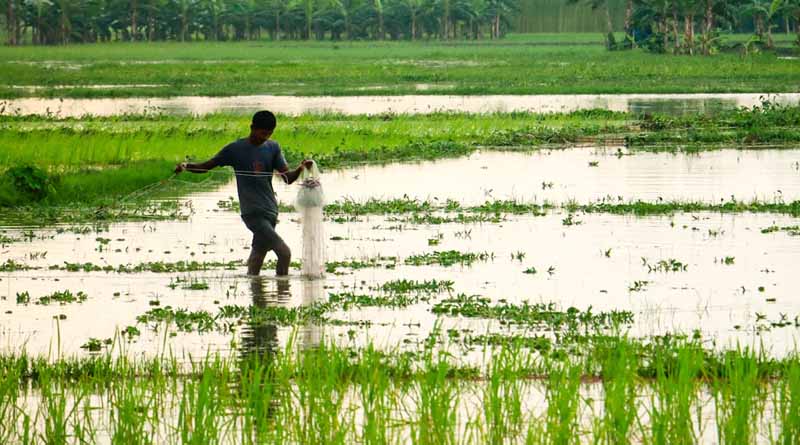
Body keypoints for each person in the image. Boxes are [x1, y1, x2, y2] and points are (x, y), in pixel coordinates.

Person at [175, 110, 311, 276]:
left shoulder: (273, 148)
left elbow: (288, 178)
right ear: (252, 127)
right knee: (284, 253)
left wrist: (301, 167)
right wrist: (187, 166)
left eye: (269, 133)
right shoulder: (235, 149)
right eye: (262, 133)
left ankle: (255, 292)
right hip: (252, 213)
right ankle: (282, 293)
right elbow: (206, 166)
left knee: (258, 255)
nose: (265, 137)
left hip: (270, 211)